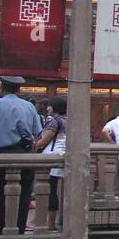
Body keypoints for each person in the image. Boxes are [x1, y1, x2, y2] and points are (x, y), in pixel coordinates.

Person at [0, 76, 41, 235]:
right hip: (26, 155)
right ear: (19, 89)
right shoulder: (29, 107)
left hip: (4, 155)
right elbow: (37, 132)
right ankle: (18, 231)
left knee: (0, 197)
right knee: (24, 197)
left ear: (1, 87)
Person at [36, 96, 67, 231]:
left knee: (49, 190)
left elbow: (43, 141)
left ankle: (48, 223)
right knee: (57, 190)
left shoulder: (54, 122)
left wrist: (34, 147)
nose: (47, 108)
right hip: (64, 156)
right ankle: (54, 222)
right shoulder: (69, 121)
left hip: (51, 156)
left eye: (49, 105)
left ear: (55, 107)